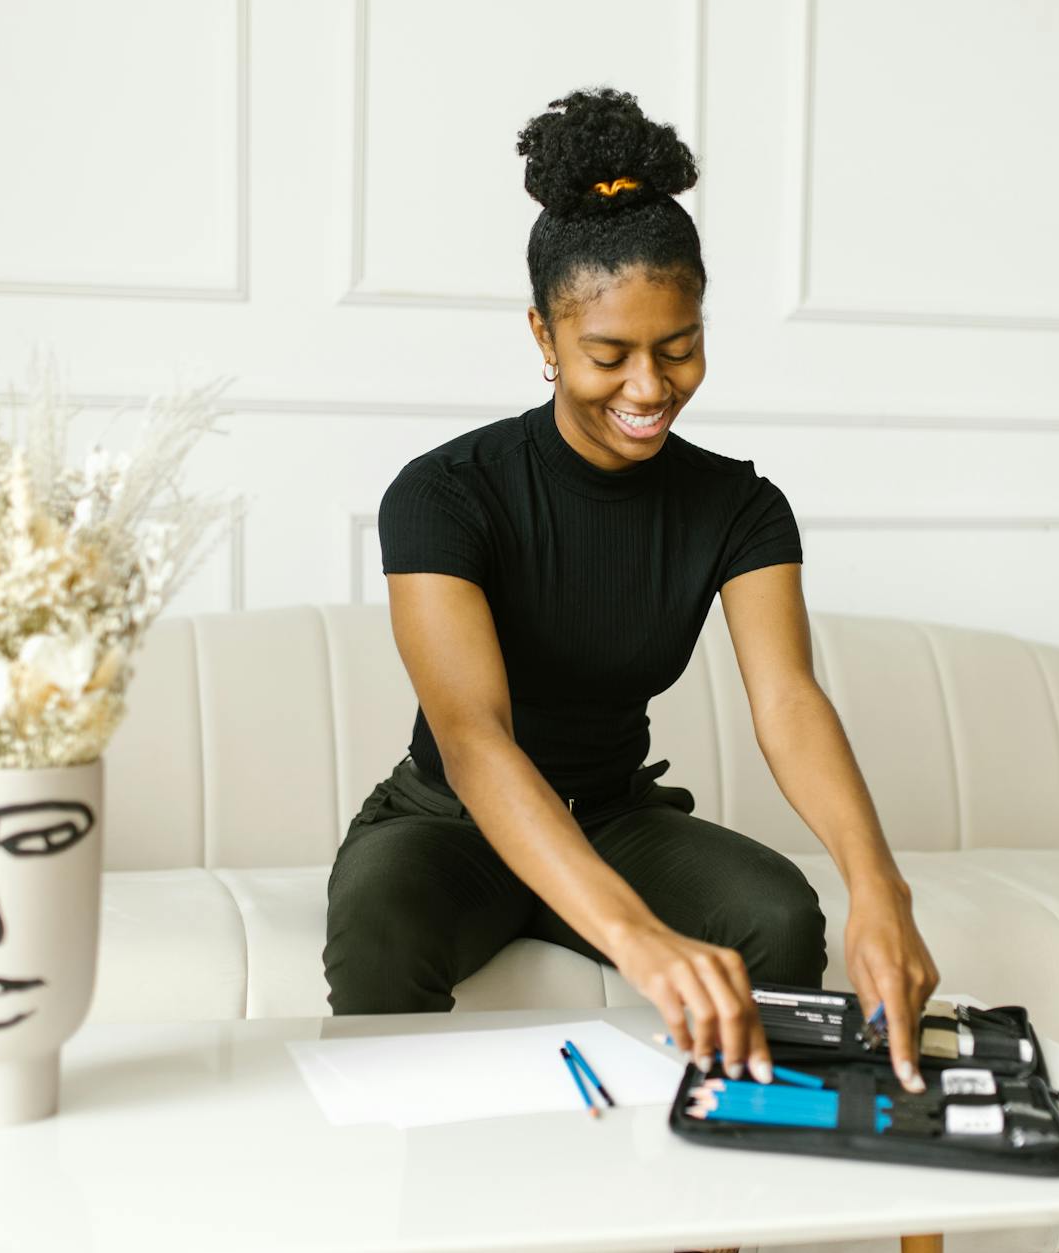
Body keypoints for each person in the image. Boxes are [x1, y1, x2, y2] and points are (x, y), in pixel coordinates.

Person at [323, 86, 938, 1099]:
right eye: (608, 355)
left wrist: (880, 886)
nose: (648, 388)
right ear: (543, 333)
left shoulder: (738, 506)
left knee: (779, 913)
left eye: (678, 347)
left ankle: (725, 1204)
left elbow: (786, 701)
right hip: (447, 824)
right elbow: (476, 739)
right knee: (383, 916)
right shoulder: (443, 495)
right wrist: (637, 938)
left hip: (613, 813)